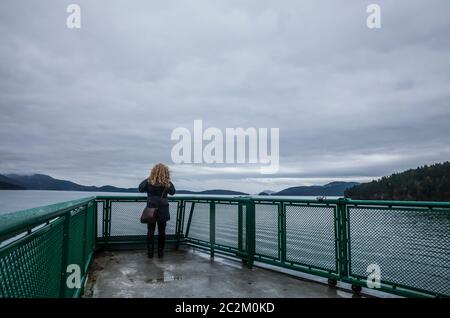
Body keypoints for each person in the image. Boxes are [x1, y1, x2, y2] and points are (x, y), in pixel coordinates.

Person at [138, 163, 176, 258]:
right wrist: (167, 180)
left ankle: (150, 253)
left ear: (153, 171)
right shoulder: (166, 183)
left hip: (151, 208)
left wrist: (150, 177)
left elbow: (140, 189)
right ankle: (160, 253)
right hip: (163, 208)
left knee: (150, 230)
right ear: (166, 172)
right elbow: (173, 192)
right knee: (162, 231)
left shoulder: (149, 181)